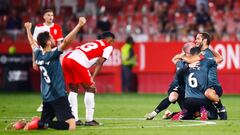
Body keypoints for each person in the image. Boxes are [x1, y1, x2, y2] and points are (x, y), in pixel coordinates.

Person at [20, 17, 86, 130]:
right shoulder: (53, 54)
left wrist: (28, 30)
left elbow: (32, 43)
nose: (53, 38)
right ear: (48, 42)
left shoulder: (38, 54)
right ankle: (41, 123)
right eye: (51, 37)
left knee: (43, 125)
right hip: (58, 95)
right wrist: (79, 26)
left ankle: (34, 124)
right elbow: (66, 41)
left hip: (46, 96)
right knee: (71, 125)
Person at [62, 31, 115, 126]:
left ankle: (74, 119)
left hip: (67, 58)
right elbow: (100, 62)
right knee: (91, 89)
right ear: (110, 40)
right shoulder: (108, 46)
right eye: (113, 41)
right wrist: (93, 78)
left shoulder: (94, 42)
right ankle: (89, 120)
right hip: (77, 61)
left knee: (73, 90)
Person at [179, 32, 227, 120]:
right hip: (203, 88)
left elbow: (220, 59)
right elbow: (220, 58)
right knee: (194, 110)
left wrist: (181, 56)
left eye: (198, 39)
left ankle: (221, 108)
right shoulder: (203, 53)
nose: (195, 41)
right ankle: (201, 113)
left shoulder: (205, 55)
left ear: (204, 40)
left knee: (206, 94)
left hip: (212, 86)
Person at [144, 42, 194, 120]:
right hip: (177, 86)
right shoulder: (180, 62)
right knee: (172, 97)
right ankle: (153, 113)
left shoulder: (195, 63)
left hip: (187, 91)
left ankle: (170, 114)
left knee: (189, 114)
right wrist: (182, 54)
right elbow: (173, 59)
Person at [33, 9, 64, 112]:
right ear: (44, 17)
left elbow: (60, 44)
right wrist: (34, 61)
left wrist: (60, 57)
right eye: (48, 15)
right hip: (42, 57)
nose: (51, 17)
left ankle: (56, 101)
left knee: (55, 80)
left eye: (52, 15)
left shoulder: (57, 27)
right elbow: (34, 44)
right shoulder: (38, 27)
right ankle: (44, 102)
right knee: (45, 81)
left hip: (53, 56)